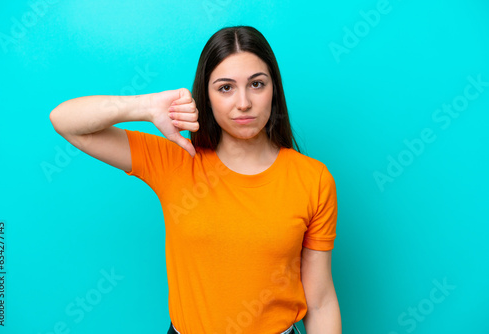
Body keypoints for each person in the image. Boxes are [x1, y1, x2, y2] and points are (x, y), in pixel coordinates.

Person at [50, 25, 341, 334]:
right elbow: (65, 121)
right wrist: (145, 107)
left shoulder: (313, 179)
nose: (243, 102)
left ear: (274, 90)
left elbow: (320, 301)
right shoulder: (176, 160)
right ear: (207, 96)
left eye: (257, 84)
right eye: (225, 88)